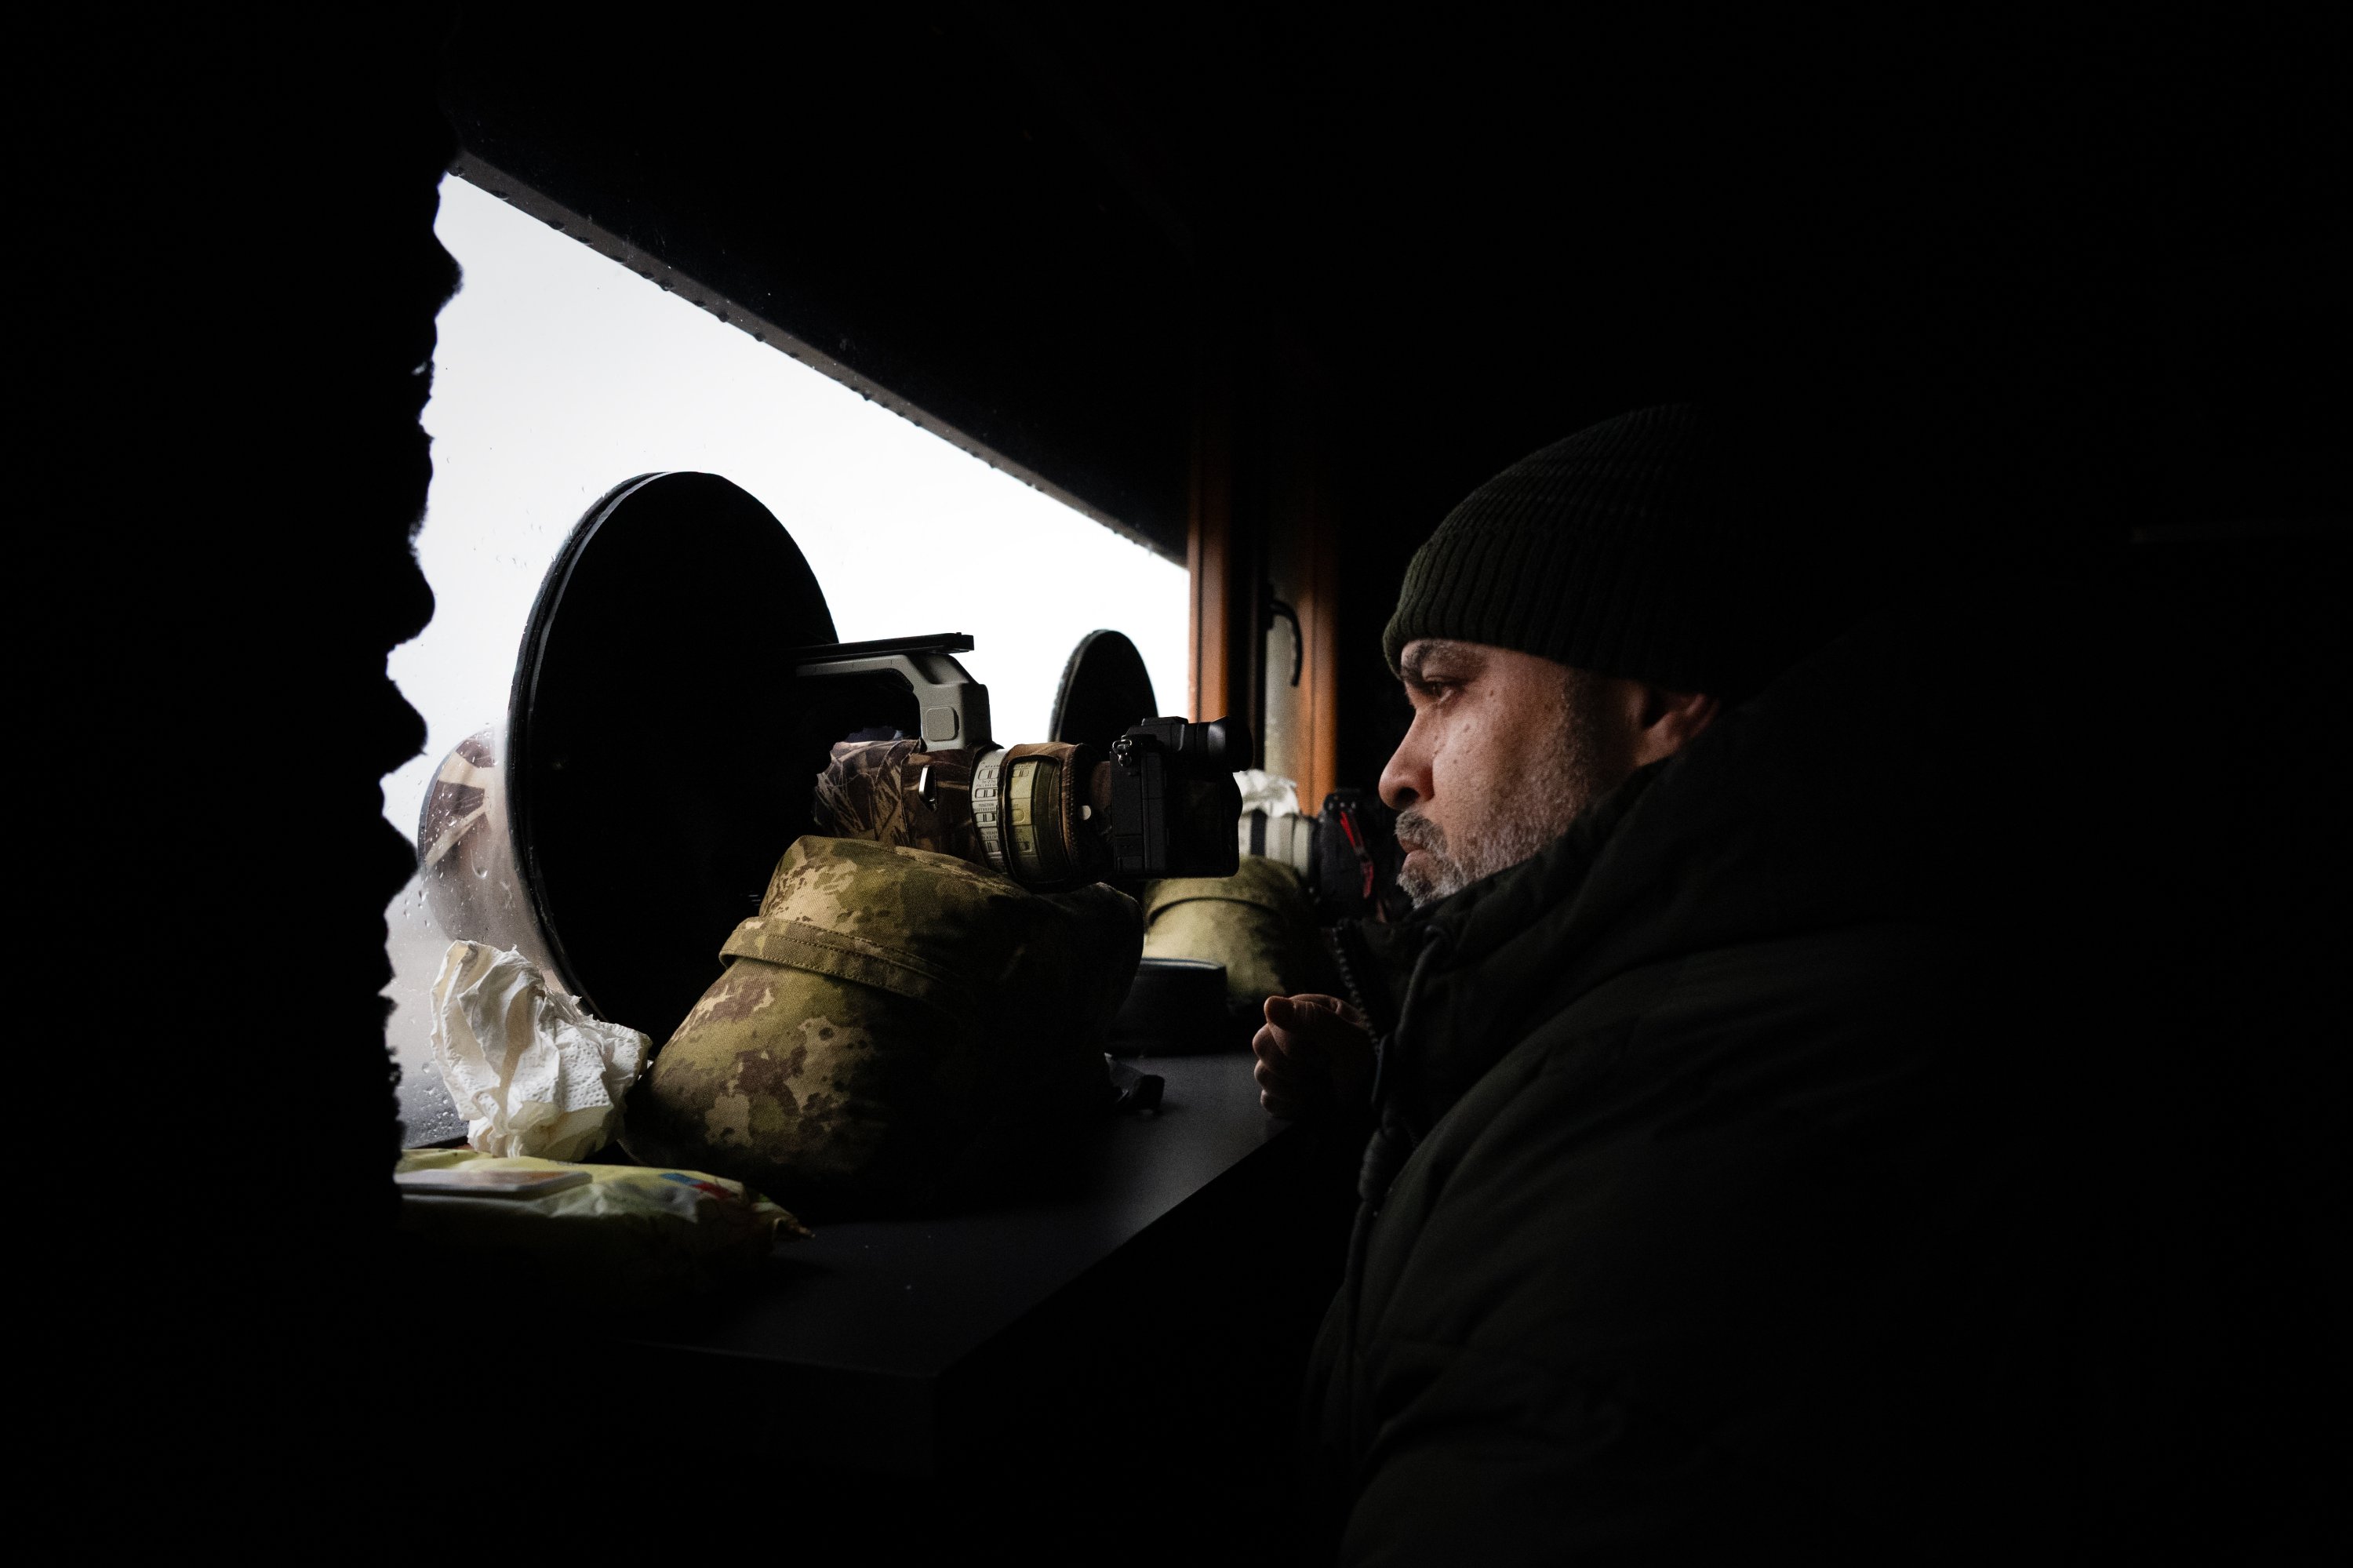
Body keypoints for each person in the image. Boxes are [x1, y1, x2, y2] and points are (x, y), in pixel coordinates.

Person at [1255, 404, 2083, 1557]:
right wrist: (1398, 1094)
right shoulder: (1787, 985)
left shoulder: (1655, 1187)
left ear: (1655, 695)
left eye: (1443, 687)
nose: (1397, 771)